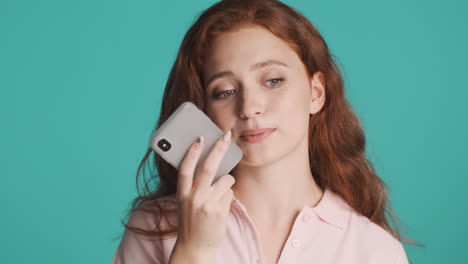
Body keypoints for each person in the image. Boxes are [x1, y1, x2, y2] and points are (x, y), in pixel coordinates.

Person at [111, 0, 421, 263]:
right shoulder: (157, 225)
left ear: (316, 93)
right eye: (225, 91)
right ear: (204, 109)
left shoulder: (374, 251)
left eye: (273, 80)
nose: (249, 107)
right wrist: (193, 250)